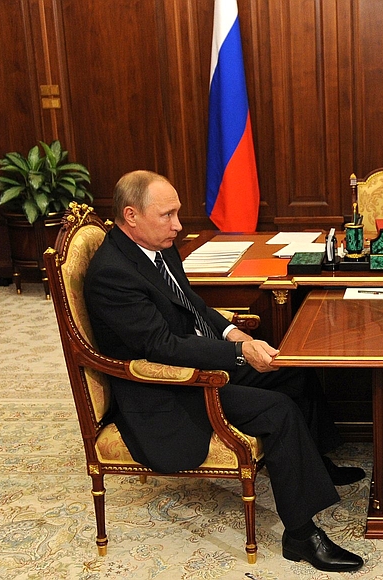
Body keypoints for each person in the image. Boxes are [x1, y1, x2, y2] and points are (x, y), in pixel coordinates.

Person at [84, 170, 363, 572]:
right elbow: (162, 346)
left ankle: (316, 465)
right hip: (166, 387)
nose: (178, 225)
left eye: (177, 213)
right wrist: (237, 354)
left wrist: (234, 334)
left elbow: (190, 302)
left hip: (194, 360)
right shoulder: (113, 274)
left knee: (292, 371)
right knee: (278, 410)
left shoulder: (156, 246)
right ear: (131, 215)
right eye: (167, 215)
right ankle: (301, 536)